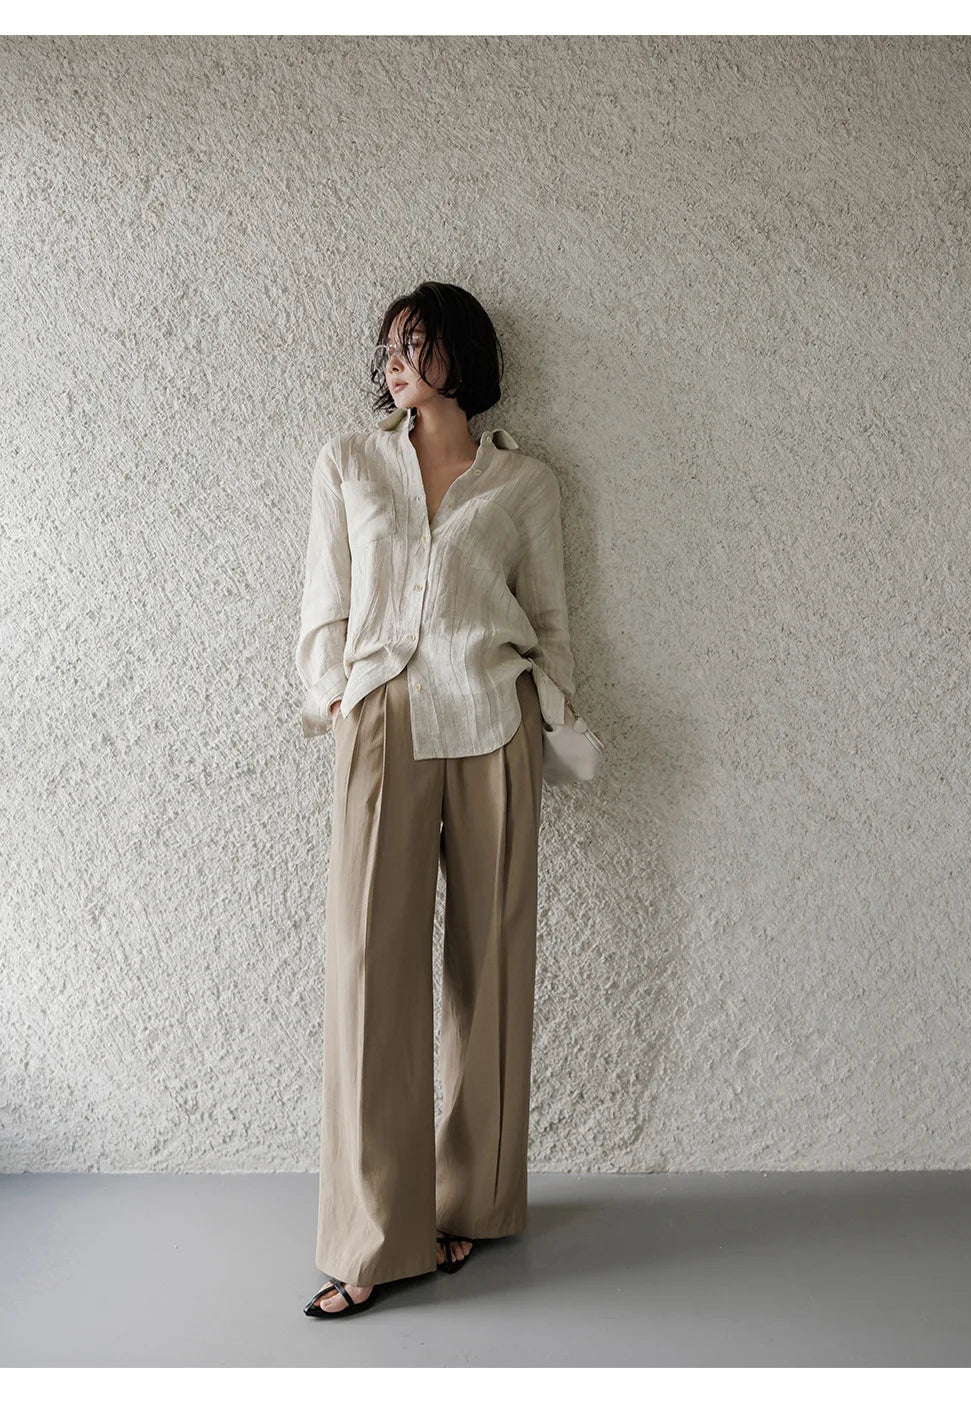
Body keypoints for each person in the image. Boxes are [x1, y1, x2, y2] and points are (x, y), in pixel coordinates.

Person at [295, 281, 580, 1318]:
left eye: (415, 342)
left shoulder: (525, 483)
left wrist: (554, 708)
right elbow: (325, 600)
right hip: (382, 717)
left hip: (494, 717)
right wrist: (336, 700)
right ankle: (372, 1235)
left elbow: (550, 615)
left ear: (461, 352)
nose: (395, 360)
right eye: (387, 346)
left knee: (491, 967)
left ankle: (474, 1202)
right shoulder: (350, 462)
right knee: (370, 969)